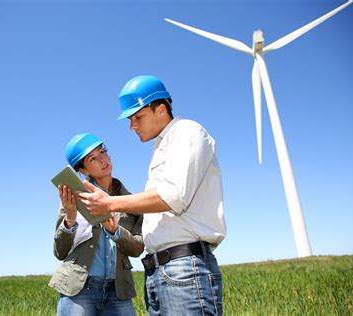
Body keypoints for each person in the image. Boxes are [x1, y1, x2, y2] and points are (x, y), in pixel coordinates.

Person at [78, 75, 227, 315]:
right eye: (130, 119)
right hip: (160, 272)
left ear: (160, 109)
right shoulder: (162, 146)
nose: (132, 126)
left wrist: (109, 202)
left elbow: (173, 196)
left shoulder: (186, 132)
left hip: (184, 268)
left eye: (138, 117)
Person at [48, 132, 144, 316]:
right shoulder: (73, 197)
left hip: (118, 290)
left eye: (102, 152)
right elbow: (59, 252)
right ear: (83, 170)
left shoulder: (130, 200)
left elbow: (138, 248)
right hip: (79, 288)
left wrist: (115, 231)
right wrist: (69, 219)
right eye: (93, 158)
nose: (102, 160)